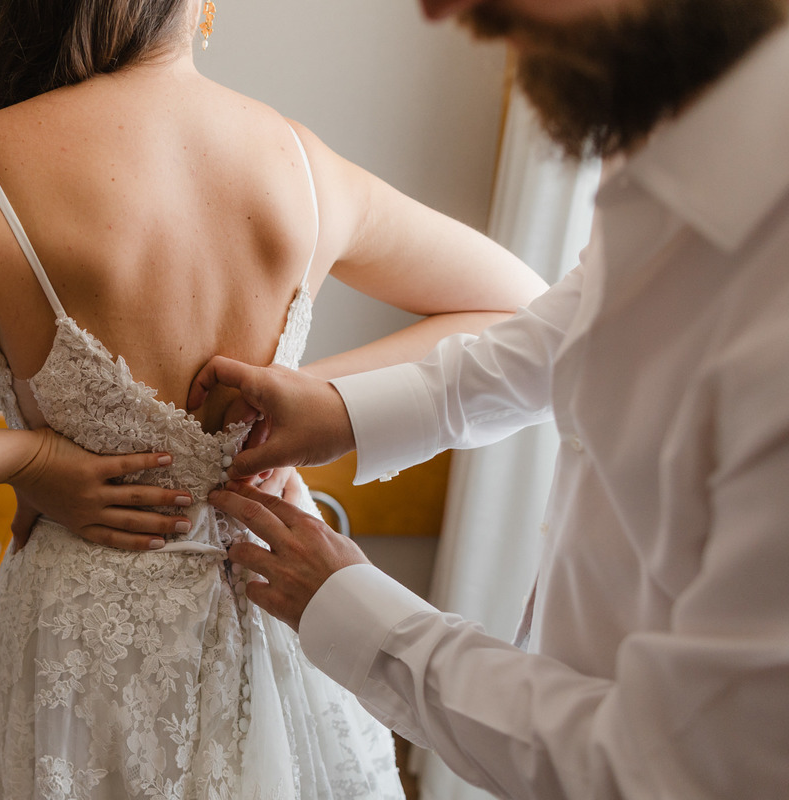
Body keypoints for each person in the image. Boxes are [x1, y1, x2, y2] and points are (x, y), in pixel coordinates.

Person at [0, 0, 547, 796]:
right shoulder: (299, 162)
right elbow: (524, 314)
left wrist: (30, 459)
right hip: (277, 592)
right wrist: (319, 399)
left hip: (82, 643)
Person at [196, 1, 789, 798]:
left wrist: (359, 615)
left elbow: (672, 772)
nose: (444, 11)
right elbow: (592, 311)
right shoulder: (669, 130)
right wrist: (345, 412)